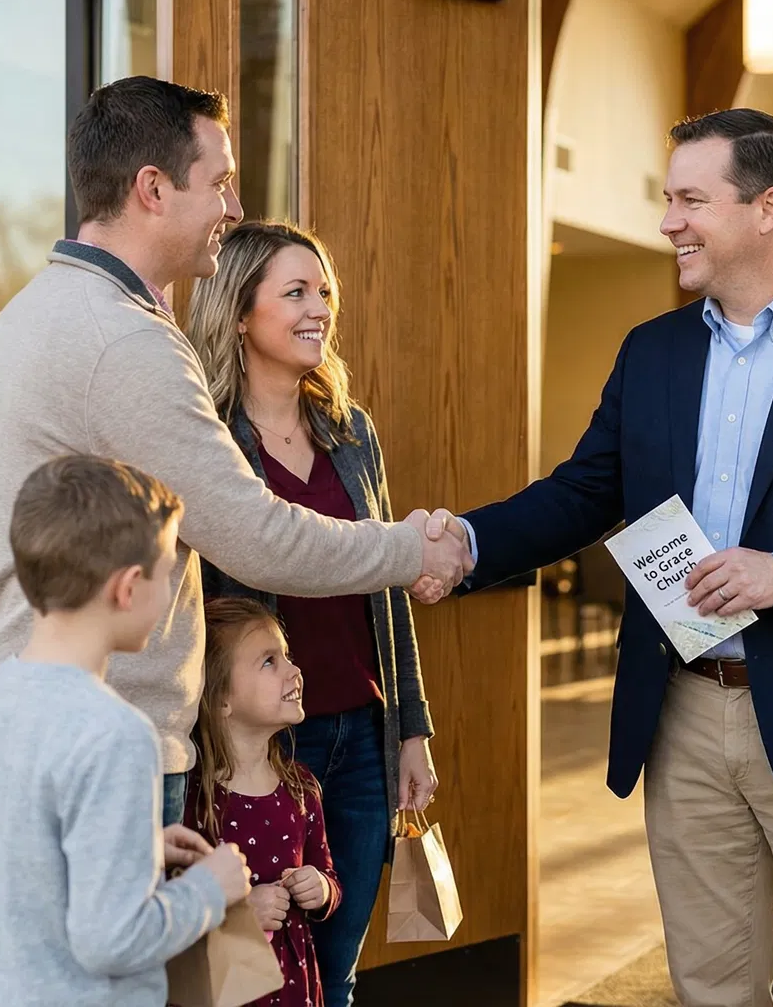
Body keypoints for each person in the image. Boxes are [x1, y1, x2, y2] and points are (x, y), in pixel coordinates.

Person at [448, 109, 773, 1006]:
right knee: (710, 985)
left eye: (691, 199)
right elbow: (586, 492)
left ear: (768, 207)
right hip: (685, 713)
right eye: (668, 199)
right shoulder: (651, 352)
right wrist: (465, 542)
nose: (668, 222)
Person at [0, 76, 471, 827]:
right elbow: (252, 534)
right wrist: (413, 549)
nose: (233, 207)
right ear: (153, 189)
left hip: (34, 728)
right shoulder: (121, 340)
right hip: (96, 750)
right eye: (220, 182)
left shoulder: (43, 310)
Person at [184, 221, 436, 1007]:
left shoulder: (351, 433)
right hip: (258, 742)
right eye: (294, 292)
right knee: (249, 967)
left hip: (361, 737)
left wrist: (412, 728)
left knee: (339, 967)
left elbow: (387, 589)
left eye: (323, 291)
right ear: (238, 315)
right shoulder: (211, 442)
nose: (318, 307)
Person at [0, 455, 255, 1007]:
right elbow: (113, 939)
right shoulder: (116, 735)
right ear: (129, 588)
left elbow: (13, 865)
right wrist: (211, 888)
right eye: (167, 572)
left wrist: (138, 849)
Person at [188, 597, 341, 1007]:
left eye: (287, 655)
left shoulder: (302, 787)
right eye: (269, 662)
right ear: (221, 699)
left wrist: (322, 889)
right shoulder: (195, 799)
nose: (295, 670)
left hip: (294, 990)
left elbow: (328, 874)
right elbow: (174, 910)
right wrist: (239, 917)